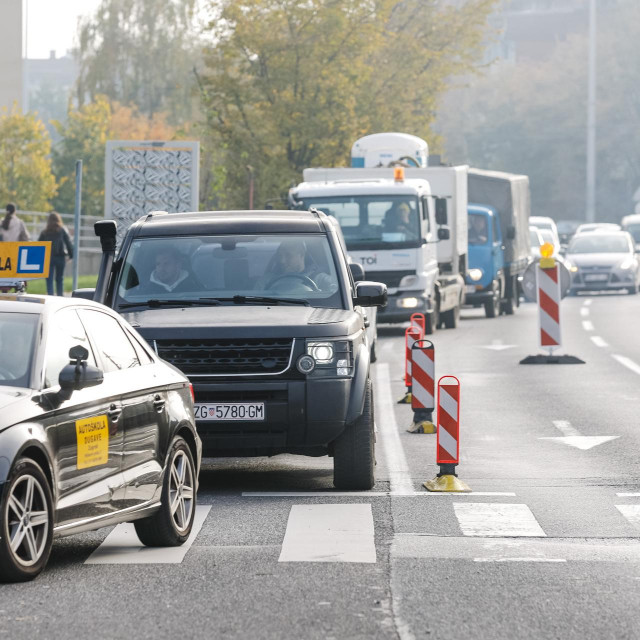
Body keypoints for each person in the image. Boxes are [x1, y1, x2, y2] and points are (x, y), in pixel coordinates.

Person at [259, 239, 332, 291]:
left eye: (288, 255)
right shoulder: (266, 280)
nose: (282, 261)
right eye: (280, 256)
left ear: (302, 255)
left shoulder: (321, 279)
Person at [38, 212, 74, 296]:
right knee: (59, 279)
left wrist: (40, 258)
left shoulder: (45, 232)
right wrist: (71, 255)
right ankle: (60, 297)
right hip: (60, 257)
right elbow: (68, 243)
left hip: (48, 258)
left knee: (49, 279)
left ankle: (50, 297)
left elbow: (39, 245)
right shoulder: (62, 230)